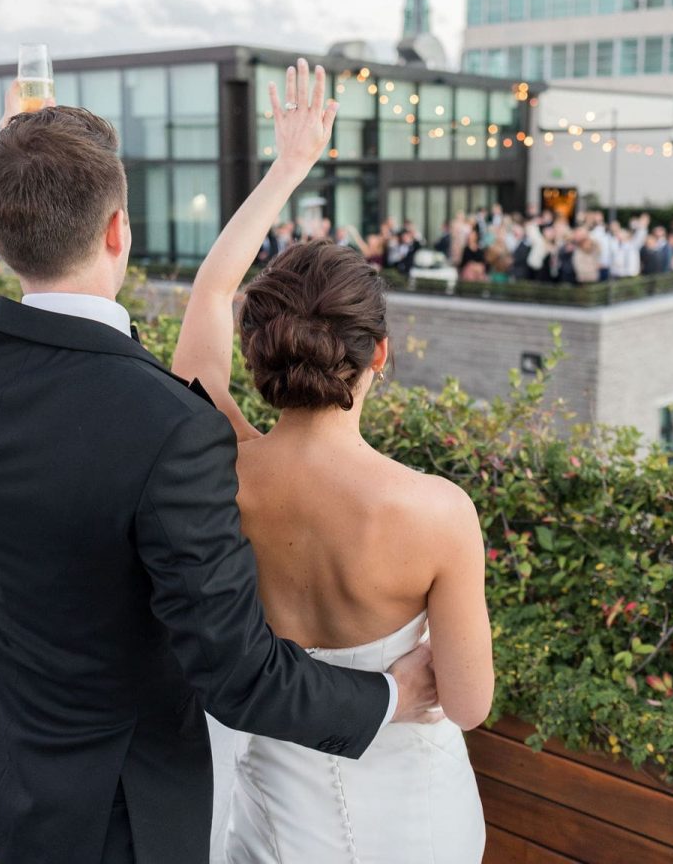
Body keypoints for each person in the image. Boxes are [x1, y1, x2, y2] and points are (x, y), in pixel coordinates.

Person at [0, 83, 439, 864]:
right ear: (119, 229)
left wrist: (2, 187)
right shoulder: (173, 430)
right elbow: (238, 675)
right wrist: (396, 694)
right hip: (110, 815)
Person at [172, 59, 493, 863]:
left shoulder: (214, 466)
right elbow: (469, 703)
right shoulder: (437, 511)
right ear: (379, 352)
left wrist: (289, 166)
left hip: (275, 814)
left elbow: (211, 294)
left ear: (256, 354)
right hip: (416, 821)